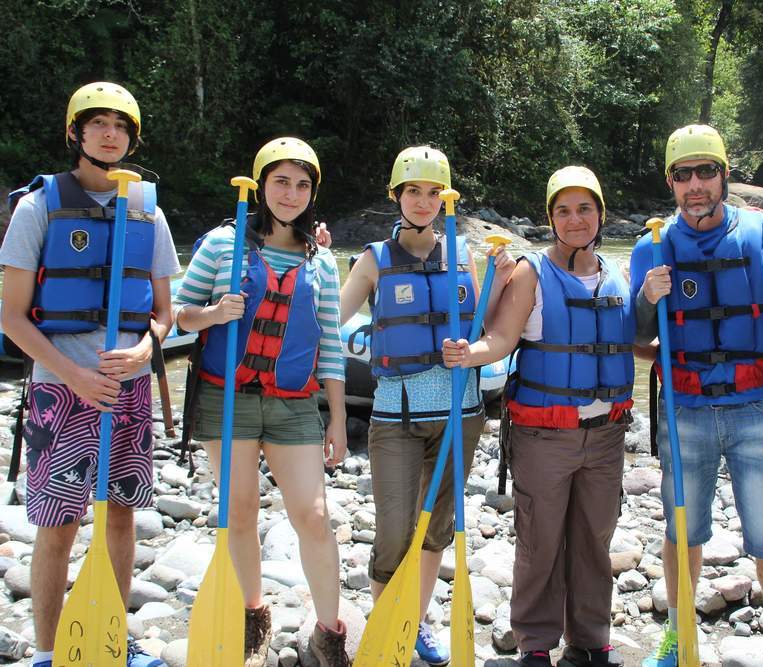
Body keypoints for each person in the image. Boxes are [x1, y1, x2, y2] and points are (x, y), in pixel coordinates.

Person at [0, 82, 179, 667]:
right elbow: (10, 315)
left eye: (120, 126)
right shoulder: (39, 206)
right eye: (98, 123)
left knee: (122, 513)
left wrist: (142, 351)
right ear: (76, 133)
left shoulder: (148, 209)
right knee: (58, 524)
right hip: (61, 387)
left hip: (126, 389)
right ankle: (50, 651)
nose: (110, 134)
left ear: (131, 138)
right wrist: (72, 376)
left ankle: (109, 638)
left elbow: (164, 313)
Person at [442, 165, 639, 667]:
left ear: (600, 214)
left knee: (595, 539)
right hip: (544, 435)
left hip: (605, 436)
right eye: (564, 211)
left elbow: (630, 344)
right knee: (540, 540)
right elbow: (502, 339)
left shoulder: (617, 272)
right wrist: (470, 353)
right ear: (551, 218)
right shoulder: (531, 271)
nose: (575, 220)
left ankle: (590, 639)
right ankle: (534, 642)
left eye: (585, 209)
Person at [630, 125, 763, 666]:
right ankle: (680, 636)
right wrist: (644, 298)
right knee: (683, 530)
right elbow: (634, 337)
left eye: (707, 172)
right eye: (684, 175)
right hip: (685, 408)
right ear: (671, 183)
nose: (696, 184)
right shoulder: (650, 247)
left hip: (757, 404)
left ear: (725, 176)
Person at [173, 137, 350, 667]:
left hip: (294, 403)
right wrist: (213, 314)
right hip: (226, 397)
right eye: (280, 182)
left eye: (301, 185)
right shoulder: (222, 245)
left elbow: (331, 342)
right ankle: (252, 613)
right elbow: (181, 314)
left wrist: (337, 418)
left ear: (312, 194)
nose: (291, 194)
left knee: (314, 515)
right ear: (261, 186)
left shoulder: (320, 262)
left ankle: (329, 631)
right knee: (240, 511)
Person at [338, 145, 511, 665]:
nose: (424, 201)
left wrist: (499, 284)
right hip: (396, 416)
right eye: (413, 190)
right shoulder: (373, 259)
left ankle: (414, 623)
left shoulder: (459, 252)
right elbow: (331, 316)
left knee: (436, 528)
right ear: (396, 196)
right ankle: (387, 622)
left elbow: (482, 327)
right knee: (394, 532)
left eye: (434, 192)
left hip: (460, 414)